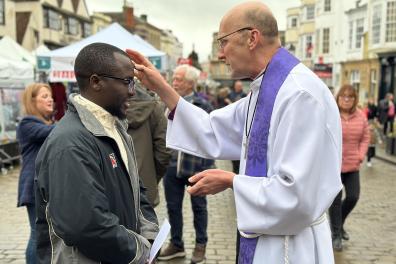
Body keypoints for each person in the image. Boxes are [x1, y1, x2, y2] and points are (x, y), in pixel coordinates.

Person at [127, 1, 342, 263]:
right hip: (267, 238)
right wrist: (161, 87)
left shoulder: (299, 94)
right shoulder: (265, 88)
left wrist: (231, 181)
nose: (220, 54)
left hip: (291, 247)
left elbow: (297, 195)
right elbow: (212, 129)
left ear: (252, 38)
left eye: (223, 42)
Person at [34, 43, 159, 264]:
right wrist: (138, 249)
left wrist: (149, 235)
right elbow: (86, 226)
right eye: (127, 81)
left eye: (134, 82)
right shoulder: (70, 143)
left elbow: (136, 190)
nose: (132, 90)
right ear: (96, 82)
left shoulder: (116, 128)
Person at [157, 65, 214, 264]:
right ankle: (176, 245)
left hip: (195, 166)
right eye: (174, 78)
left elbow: (212, 137)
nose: (174, 82)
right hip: (172, 166)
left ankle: (200, 246)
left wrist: (207, 166)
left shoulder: (203, 105)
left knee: (199, 207)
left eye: (179, 79)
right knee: (173, 207)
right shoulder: (166, 103)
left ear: (190, 83)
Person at [17, 83, 55, 264]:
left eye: (51, 96)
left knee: (46, 234)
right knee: (37, 234)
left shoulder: (50, 123)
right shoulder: (27, 123)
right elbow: (49, 133)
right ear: (32, 101)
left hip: (46, 185)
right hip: (33, 186)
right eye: (45, 96)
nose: (51, 99)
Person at [329, 85, 369, 251]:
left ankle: (340, 223)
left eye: (350, 97)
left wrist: (360, 155)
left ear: (355, 99)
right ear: (338, 98)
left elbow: (366, 137)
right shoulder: (331, 114)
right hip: (334, 166)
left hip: (353, 165)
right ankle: (336, 234)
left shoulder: (361, 117)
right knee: (335, 202)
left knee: (353, 197)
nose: (346, 99)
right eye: (343, 96)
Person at [126, 84, 172, 207]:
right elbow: (164, 150)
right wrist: (151, 177)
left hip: (111, 190)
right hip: (144, 188)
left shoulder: (103, 103)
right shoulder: (154, 107)